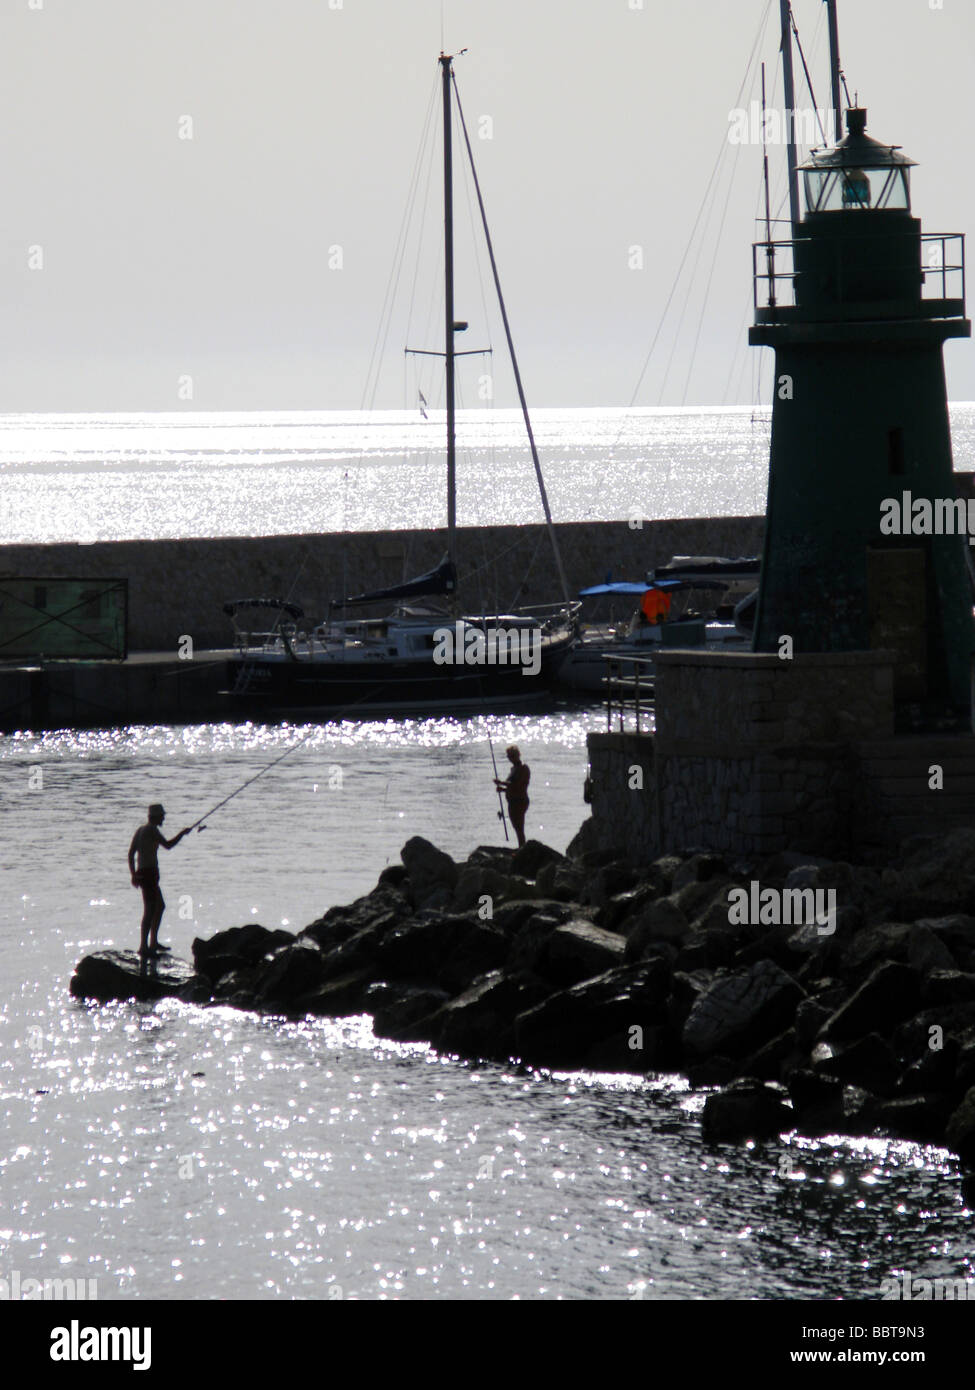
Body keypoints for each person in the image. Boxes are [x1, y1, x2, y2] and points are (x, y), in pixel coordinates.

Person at [128, 804, 191, 957]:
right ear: (155, 817)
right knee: (150, 909)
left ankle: (153, 943)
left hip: (144, 874)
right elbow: (168, 845)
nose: (164, 818)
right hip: (149, 874)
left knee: (159, 906)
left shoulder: (140, 830)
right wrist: (182, 833)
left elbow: (131, 854)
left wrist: (134, 874)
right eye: (162, 815)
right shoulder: (151, 830)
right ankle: (144, 947)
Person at [495, 745, 530, 848]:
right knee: (516, 827)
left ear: (518, 755)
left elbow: (518, 785)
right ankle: (521, 847)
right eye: (509, 756)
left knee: (519, 827)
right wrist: (503, 789)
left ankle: (522, 848)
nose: (510, 758)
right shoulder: (513, 769)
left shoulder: (523, 768)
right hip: (512, 801)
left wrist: (501, 783)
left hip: (519, 801)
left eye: (512, 755)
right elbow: (513, 787)